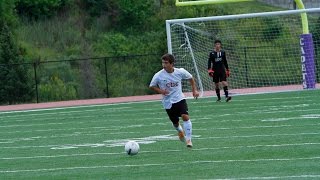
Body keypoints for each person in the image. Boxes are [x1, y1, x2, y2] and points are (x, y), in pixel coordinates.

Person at [149, 53, 199, 148]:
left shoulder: (180, 72)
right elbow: (151, 86)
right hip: (168, 103)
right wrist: (161, 91)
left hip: (179, 99)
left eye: (166, 63)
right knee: (175, 123)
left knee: (185, 116)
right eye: (163, 63)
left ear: (172, 64)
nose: (164, 65)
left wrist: (194, 90)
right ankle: (180, 131)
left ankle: (189, 140)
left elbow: (191, 78)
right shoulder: (158, 75)